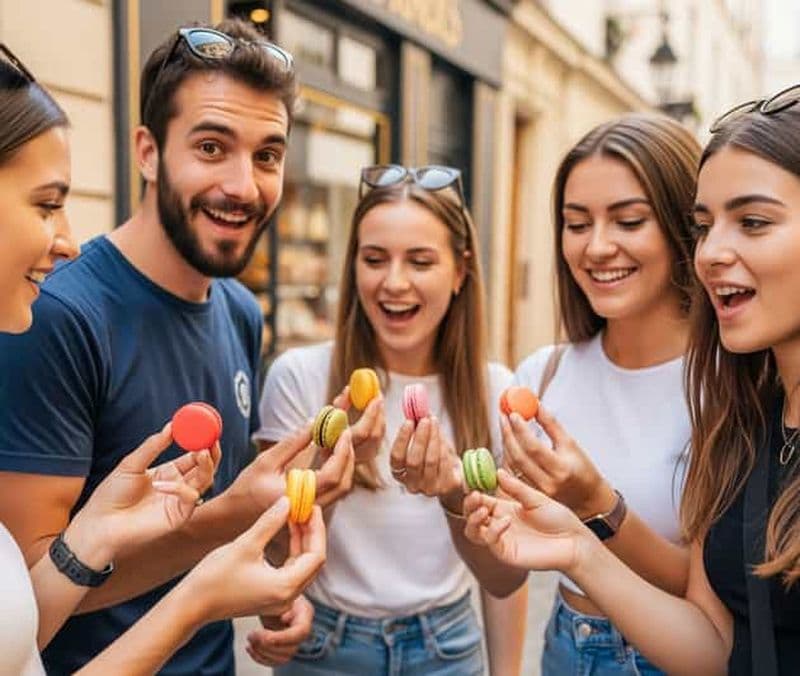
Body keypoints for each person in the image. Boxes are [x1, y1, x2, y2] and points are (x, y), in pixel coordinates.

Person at [0, 20, 352, 675]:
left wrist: (276, 582)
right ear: (147, 151)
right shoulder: (51, 313)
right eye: (212, 147)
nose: (244, 185)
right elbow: (21, 597)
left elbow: (207, 518)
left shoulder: (241, 311)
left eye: (268, 155)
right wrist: (228, 520)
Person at [464, 85, 800, 675]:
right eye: (707, 225)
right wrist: (574, 545)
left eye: (751, 222)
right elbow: (718, 643)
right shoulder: (749, 414)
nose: (715, 251)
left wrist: (596, 505)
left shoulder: (720, 393)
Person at [250, 164, 529, 675]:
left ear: (460, 271)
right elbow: (274, 556)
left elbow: (506, 578)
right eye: (374, 259)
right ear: (353, 266)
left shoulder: (496, 389)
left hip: (447, 646)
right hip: (325, 647)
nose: (394, 282)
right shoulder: (299, 378)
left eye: (420, 261)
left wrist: (453, 496)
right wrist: (330, 475)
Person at [499, 113, 700, 675]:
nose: (597, 247)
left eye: (629, 221)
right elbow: (502, 575)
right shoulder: (541, 376)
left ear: (684, 226)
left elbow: (714, 597)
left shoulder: (725, 390)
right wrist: (451, 493)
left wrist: (596, 507)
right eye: (576, 223)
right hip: (563, 644)